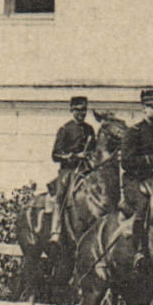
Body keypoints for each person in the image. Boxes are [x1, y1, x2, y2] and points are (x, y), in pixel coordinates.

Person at [120, 87, 153, 270]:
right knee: (143, 205)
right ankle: (139, 250)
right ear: (144, 109)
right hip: (135, 182)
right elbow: (126, 162)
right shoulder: (134, 132)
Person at [48, 94, 94, 242]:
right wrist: (74, 156)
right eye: (78, 110)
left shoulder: (90, 129)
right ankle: (56, 230)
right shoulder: (65, 129)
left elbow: (94, 149)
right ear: (72, 110)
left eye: (84, 110)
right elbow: (55, 155)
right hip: (68, 171)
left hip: (86, 169)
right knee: (61, 195)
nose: (81, 114)